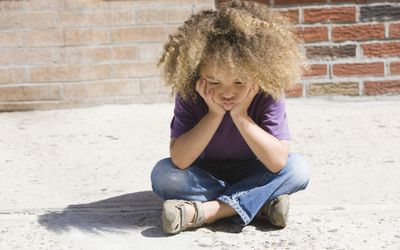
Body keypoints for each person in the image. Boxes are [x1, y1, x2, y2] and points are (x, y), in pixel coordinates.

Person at [150, 0, 311, 234]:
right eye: (214, 82)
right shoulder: (190, 93)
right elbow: (181, 160)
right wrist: (214, 113)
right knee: (164, 175)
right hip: (205, 173)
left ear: (257, 74)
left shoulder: (267, 92)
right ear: (197, 73)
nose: (227, 92)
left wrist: (241, 115)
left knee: (297, 169)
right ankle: (260, 203)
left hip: (255, 170)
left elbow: (277, 162)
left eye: (239, 82)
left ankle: (205, 212)